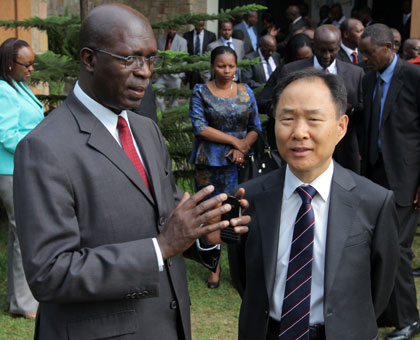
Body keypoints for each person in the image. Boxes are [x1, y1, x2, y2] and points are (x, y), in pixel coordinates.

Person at [12, 5, 250, 340]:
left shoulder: (146, 130)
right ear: (89, 59)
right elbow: (50, 273)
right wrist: (159, 248)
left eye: (151, 59)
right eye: (130, 59)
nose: (145, 72)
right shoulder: (45, 148)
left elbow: (165, 218)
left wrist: (205, 232)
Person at [232, 68, 399, 340]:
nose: (299, 132)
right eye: (287, 118)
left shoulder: (374, 202)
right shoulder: (249, 197)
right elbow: (245, 280)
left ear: (341, 126)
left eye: (313, 119)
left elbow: (379, 288)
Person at [359, 23, 420, 340]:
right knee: (377, 246)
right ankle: (384, 311)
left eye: (368, 53)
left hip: (406, 178)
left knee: (397, 249)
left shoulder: (413, 77)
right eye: (361, 52)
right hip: (374, 175)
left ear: (388, 48)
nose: (364, 58)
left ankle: (408, 320)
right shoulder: (368, 79)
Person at [189, 46, 262, 289]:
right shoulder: (200, 92)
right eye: (221, 66)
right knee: (211, 214)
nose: (227, 70)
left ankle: (239, 268)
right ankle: (214, 267)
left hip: (239, 164)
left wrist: (242, 148)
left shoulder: (245, 91)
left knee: (236, 214)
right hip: (208, 164)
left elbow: (255, 126)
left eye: (231, 66)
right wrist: (234, 141)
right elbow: (200, 127)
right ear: (212, 67)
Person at [258, 25, 364, 174]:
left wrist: (350, 109)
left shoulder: (355, 73)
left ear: (339, 47)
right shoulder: (292, 70)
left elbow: (362, 110)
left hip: (343, 150)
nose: (326, 55)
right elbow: (274, 103)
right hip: (302, 148)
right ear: (314, 46)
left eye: (331, 50)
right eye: (322, 50)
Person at [0, 37, 42, 320]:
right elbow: (6, 136)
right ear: (9, 64)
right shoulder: (3, 90)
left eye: (32, 64)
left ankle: (17, 300)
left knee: (18, 235)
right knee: (24, 235)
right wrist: (42, 142)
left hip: (23, 169)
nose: (30, 69)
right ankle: (25, 305)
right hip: (10, 171)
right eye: (26, 64)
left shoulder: (18, 86)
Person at [155, 27, 188, 112]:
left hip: (175, 75)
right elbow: (158, 57)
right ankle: (163, 112)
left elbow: (183, 58)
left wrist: (180, 75)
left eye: (173, 29)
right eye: (169, 29)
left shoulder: (182, 41)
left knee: (174, 99)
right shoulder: (160, 40)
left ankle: (171, 113)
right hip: (162, 74)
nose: (171, 31)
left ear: (176, 30)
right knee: (157, 93)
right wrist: (155, 70)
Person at [183, 21, 216, 89]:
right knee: (194, 90)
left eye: (202, 25)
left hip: (206, 68)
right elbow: (185, 53)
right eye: (199, 25)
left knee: (206, 89)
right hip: (192, 69)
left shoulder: (211, 36)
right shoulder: (187, 36)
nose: (201, 27)